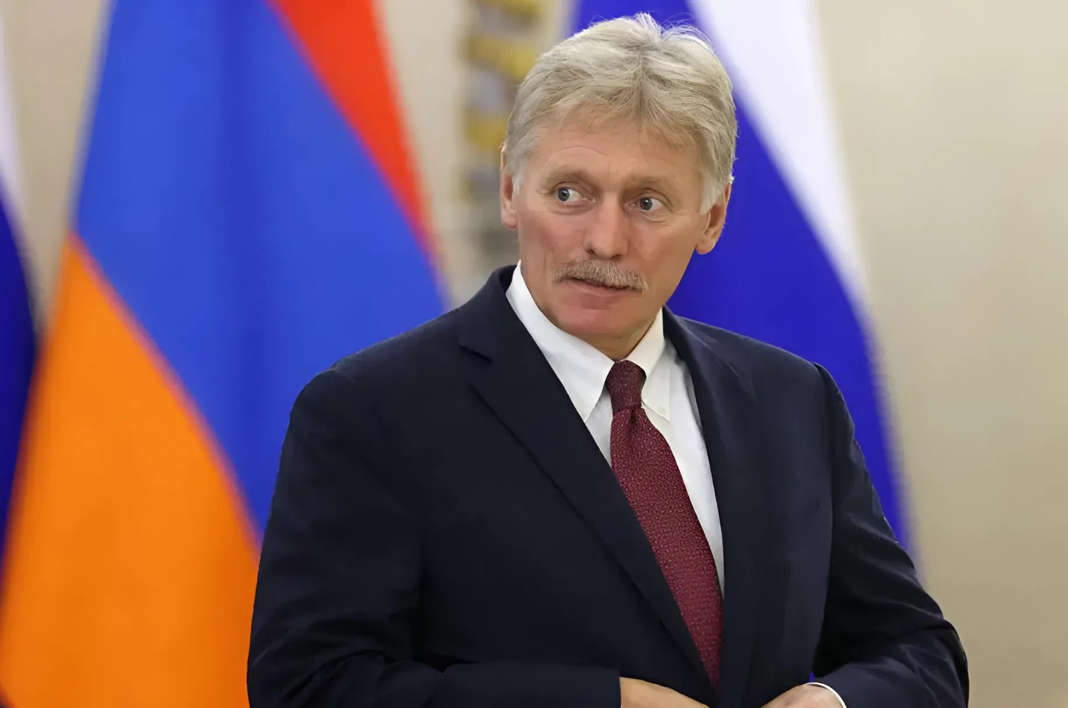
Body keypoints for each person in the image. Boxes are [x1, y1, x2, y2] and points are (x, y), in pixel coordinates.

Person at [247, 13, 968, 708]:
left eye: (647, 202)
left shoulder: (791, 399)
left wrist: (834, 701)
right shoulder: (370, 413)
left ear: (712, 218)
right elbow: (309, 685)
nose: (604, 240)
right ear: (510, 189)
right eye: (569, 193)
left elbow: (917, 652)